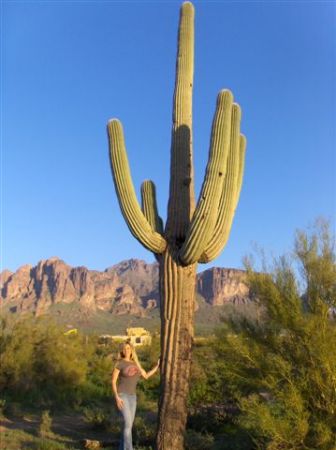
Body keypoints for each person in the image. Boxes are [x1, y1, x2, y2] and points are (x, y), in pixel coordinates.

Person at [111, 340, 160, 450]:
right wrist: (117, 398)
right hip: (122, 395)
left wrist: (157, 367)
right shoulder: (119, 363)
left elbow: (146, 376)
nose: (126, 350)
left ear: (132, 350)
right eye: (124, 349)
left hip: (133, 397)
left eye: (128, 348)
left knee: (128, 426)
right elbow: (113, 381)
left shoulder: (135, 364)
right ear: (122, 351)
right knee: (128, 424)